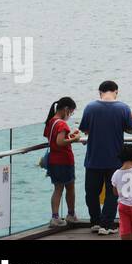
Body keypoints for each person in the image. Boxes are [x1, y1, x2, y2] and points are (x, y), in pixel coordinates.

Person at [77, 80, 132, 235]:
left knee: (91, 192)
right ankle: (107, 224)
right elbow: (130, 129)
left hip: (93, 158)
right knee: (113, 192)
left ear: (100, 92)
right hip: (115, 159)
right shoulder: (123, 108)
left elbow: (84, 129)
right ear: (116, 91)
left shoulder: (90, 107)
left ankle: (95, 222)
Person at [42, 97, 80, 227]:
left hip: (53, 160)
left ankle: (55, 216)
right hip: (64, 160)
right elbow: (60, 142)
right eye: (71, 112)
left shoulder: (51, 121)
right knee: (70, 187)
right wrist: (74, 140)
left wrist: (68, 136)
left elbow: (53, 140)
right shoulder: (62, 124)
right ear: (66, 109)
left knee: (57, 188)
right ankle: (71, 214)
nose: (70, 115)